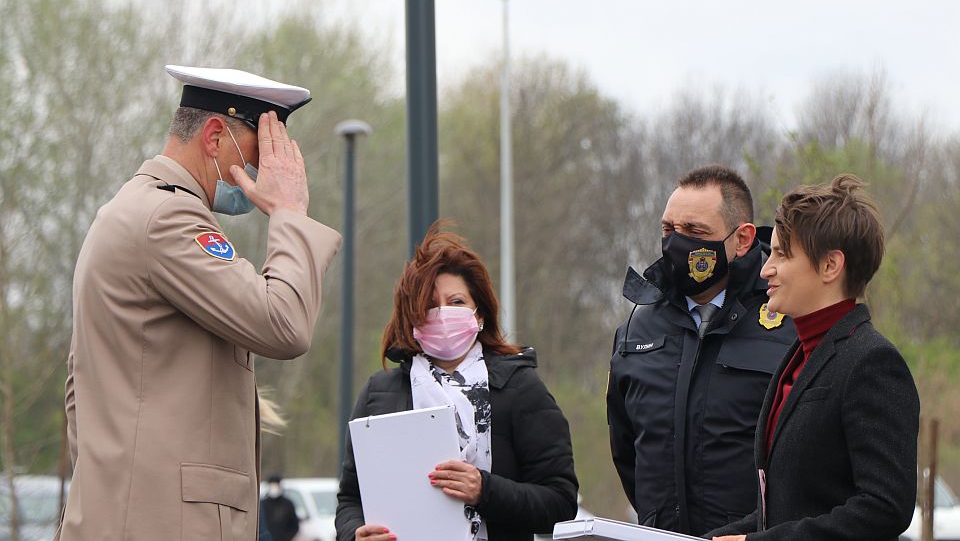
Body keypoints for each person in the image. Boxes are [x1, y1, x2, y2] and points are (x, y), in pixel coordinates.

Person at [56, 65, 342, 540]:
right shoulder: (168, 217)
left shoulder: (132, 209)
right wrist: (290, 212)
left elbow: (77, 394)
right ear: (214, 137)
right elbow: (284, 323)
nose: (264, 174)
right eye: (258, 155)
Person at [708, 175, 920, 541]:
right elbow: (784, 508)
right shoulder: (798, 356)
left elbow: (885, 507)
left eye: (781, 254)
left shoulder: (872, 363)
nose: (765, 269)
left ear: (830, 266)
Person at [335, 226, 578, 541]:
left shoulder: (520, 388)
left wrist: (484, 489)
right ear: (412, 320)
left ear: (479, 315)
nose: (443, 313)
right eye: (430, 305)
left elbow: (560, 503)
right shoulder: (378, 394)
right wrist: (355, 534)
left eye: (457, 301)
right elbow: (350, 499)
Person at [607, 165, 797, 535]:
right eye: (668, 229)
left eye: (695, 231)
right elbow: (627, 451)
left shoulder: (787, 318)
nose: (677, 243)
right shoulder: (636, 328)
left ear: (742, 239)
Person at [261, 475, 300, 541]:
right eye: (272, 486)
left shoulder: (288, 504)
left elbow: (295, 525)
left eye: (275, 486)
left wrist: (287, 537)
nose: (274, 488)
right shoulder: (262, 504)